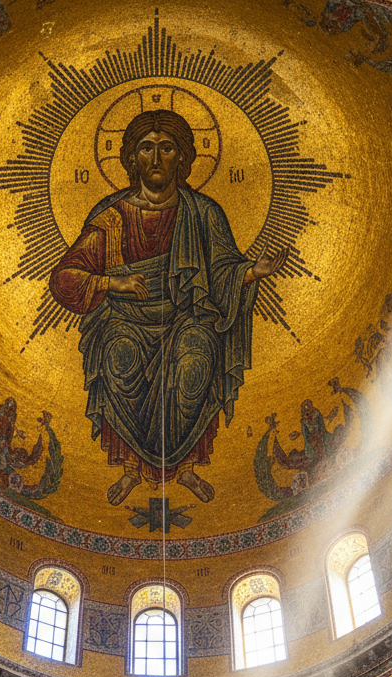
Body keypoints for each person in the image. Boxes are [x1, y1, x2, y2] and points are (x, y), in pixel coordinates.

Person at [49, 109, 288, 506]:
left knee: (195, 361)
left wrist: (250, 273)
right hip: (125, 320)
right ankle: (130, 469)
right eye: (146, 149)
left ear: (183, 158)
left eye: (166, 148)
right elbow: (64, 278)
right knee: (118, 355)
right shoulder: (111, 217)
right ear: (131, 159)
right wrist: (113, 282)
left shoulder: (204, 212)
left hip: (187, 317)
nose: (156, 159)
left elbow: (222, 269)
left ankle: (188, 467)